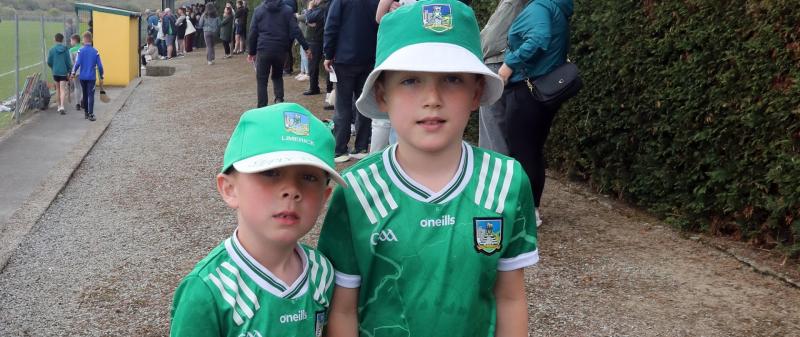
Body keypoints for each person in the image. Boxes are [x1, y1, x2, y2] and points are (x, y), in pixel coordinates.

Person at [317, 1, 539, 336]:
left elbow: (509, 297)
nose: (432, 97)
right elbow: (344, 310)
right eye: (410, 81)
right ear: (381, 94)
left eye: (452, 78)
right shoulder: (356, 191)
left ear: (477, 91)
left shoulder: (506, 182)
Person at [169, 103, 344, 337]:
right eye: (271, 173)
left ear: (324, 198)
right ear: (229, 189)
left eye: (309, 177)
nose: (291, 190)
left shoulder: (322, 272)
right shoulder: (208, 290)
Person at [499, 0, 573, 227]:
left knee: (522, 152)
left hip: (527, 88)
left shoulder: (541, 6)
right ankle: (532, 209)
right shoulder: (557, 6)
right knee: (532, 151)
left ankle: (526, 212)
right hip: (544, 91)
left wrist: (508, 65)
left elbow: (539, 38)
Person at [323, 0, 379, 162]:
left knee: (343, 105)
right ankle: (361, 146)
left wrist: (328, 54)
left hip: (344, 59)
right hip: (368, 58)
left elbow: (331, 27)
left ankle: (340, 149)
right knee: (363, 102)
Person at [478, 0, 527, 155]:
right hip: (497, 61)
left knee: (493, 130)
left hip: (499, 62)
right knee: (493, 127)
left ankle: (495, 173)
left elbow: (492, 40)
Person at [248, 0, 311, 107]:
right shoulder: (287, 10)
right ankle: (279, 100)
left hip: (264, 49)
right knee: (277, 76)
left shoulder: (258, 11)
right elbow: (295, 30)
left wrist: (251, 52)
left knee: (262, 80)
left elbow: (253, 32)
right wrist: (306, 47)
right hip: (280, 49)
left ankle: (262, 107)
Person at [297, 0, 331, 95]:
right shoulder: (323, 7)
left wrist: (309, 8)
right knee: (318, 65)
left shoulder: (323, 7)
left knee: (315, 65)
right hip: (321, 38)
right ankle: (321, 88)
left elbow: (308, 17)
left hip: (318, 39)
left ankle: (318, 88)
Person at [71, 31, 104, 122]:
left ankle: (86, 113)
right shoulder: (95, 51)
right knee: (91, 95)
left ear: (83, 40)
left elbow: (77, 63)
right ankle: (91, 114)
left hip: (82, 77)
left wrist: (73, 73)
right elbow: (100, 66)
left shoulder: (80, 51)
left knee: (84, 94)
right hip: (91, 77)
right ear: (91, 39)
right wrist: (101, 75)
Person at [47, 33, 72, 115]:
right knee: (62, 89)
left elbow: (49, 62)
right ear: (62, 40)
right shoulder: (66, 49)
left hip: (55, 72)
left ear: (55, 39)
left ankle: (58, 106)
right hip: (63, 72)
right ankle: (62, 106)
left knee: (57, 89)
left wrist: (53, 67)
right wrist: (69, 70)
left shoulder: (52, 50)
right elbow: (68, 62)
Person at [68, 34, 82, 110]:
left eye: (71, 40)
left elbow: (71, 63)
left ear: (74, 40)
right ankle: (84, 101)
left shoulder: (71, 50)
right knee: (84, 86)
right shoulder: (83, 48)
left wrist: (71, 72)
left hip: (76, 71)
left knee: (77, 87)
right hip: (84, 71)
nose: (70, 42)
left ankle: (78, 104)